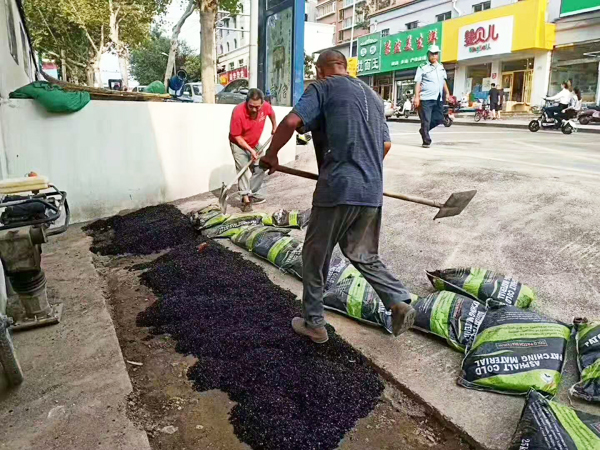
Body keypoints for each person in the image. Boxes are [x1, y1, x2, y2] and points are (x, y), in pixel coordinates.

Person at [260, 50, 416, 344]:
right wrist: (361, 167)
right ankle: (397, 301)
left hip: (338, 187)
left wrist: (271, 154)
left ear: (320, 70)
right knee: (363, 253)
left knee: (314, 257)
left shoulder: (322, 87)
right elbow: (384, 145)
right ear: (344, 67)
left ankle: (314, 323)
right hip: (371, 188)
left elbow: (292, 122)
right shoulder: (372, 95)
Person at [229, 88, 277, 212]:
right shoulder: (238, 112)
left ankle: (252, 192)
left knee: (261, 166)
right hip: (238, 143)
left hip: (254, 142)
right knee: (243, 169)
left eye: (258, 107)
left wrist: (274, 127)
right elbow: (237, 136)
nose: (255, 109)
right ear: (246, 102)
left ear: (262, 103)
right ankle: (246, 200)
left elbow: (271, 113)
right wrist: (251, 150)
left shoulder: (265, 106)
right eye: (251, 107)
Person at [414, 44, 450, 148]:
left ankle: (423, 130)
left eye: (436, 53)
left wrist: (447, 93)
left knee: (439, 118)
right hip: (425, 98)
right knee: (426, 120)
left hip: (438, 97)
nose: (434, 56)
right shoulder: (422, 67)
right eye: (432, 54)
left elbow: (443, 82)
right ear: (428, 54)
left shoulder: (440, 67)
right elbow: (417, 83)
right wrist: (417, 97)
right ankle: (426, 141)